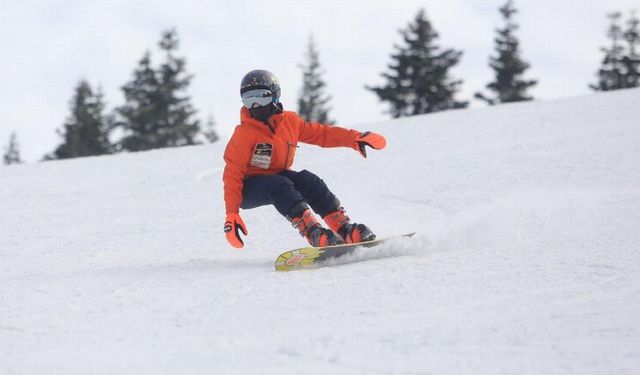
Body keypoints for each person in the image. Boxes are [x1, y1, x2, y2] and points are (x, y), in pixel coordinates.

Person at [223, 69, 387, 249]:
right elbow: (232, 172)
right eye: (248, 99)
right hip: (247, 188)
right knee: (278, 184)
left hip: (279, 177)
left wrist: (354, 138)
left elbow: (322, 134)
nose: (255, 105)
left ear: (275, 95)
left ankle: (344, 228)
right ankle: (313, 232)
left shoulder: (290, 122)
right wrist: (232, 214)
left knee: (308, 180)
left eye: (261, 97)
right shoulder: (244, 134)